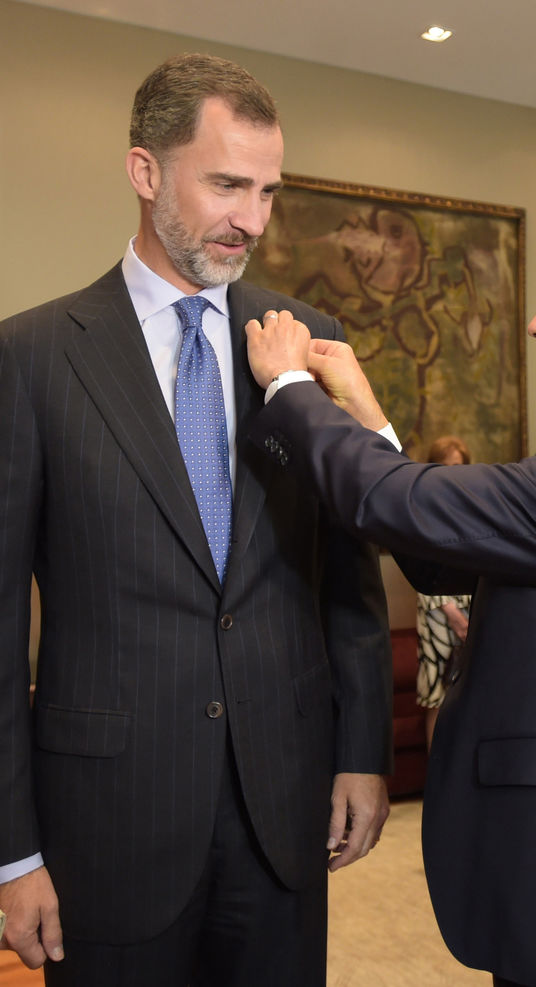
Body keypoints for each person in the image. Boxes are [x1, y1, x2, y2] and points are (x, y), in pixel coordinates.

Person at [244, 208, 536, 987]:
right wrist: (369, 415)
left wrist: (291, 387)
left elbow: (401, 504)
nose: (535, 323)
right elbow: (440, 555)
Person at [0, 53, 393, 986]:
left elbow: (350, 573)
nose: (251, 219)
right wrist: (12, 851)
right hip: (106, 821)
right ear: (145, 173)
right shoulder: (32, 356)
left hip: (282, 809)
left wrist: (361, 753)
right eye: (226, 184)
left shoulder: (305, 338)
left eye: (266, 190)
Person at [416, 436, 472, 747]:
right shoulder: (423, 503)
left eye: (460, 467)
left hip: (468, 605)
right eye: (448, 466)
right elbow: (422, 559)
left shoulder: (468, 502)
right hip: (436, 612)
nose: (455, 472)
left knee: (466, 697)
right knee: (437, 697)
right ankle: (434, 782)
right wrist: (453, 615)